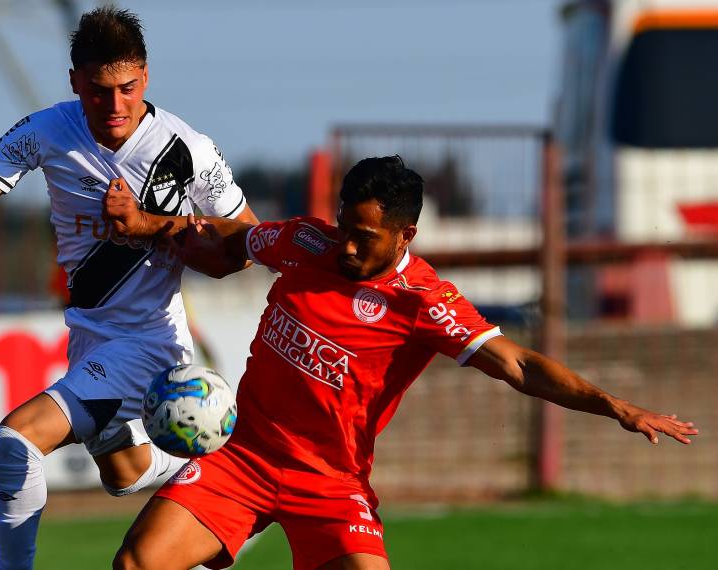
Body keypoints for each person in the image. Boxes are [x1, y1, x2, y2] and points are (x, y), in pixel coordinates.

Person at [106, 156, 697, 570]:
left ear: (404, 234)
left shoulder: (424, 301)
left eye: (365, 236)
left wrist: (611, 404)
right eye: (344, 228)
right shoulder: (307, 242)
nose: (349, 246)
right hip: (245, 458)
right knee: (137, 563)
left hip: (330, 484)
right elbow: (234, 239)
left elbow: (517, 364)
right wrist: (154, 226)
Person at [0, 7, 257, 570]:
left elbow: (247, 237)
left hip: (147, 339)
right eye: (100, 91)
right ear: (75, 80)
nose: (116, 105)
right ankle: (221, 476)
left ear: (146, 77)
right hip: (90, 336)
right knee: (122, 475)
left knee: (17, 440)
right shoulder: (47, 131)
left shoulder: (187, 148)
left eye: (128, 88)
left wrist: (153, 223)